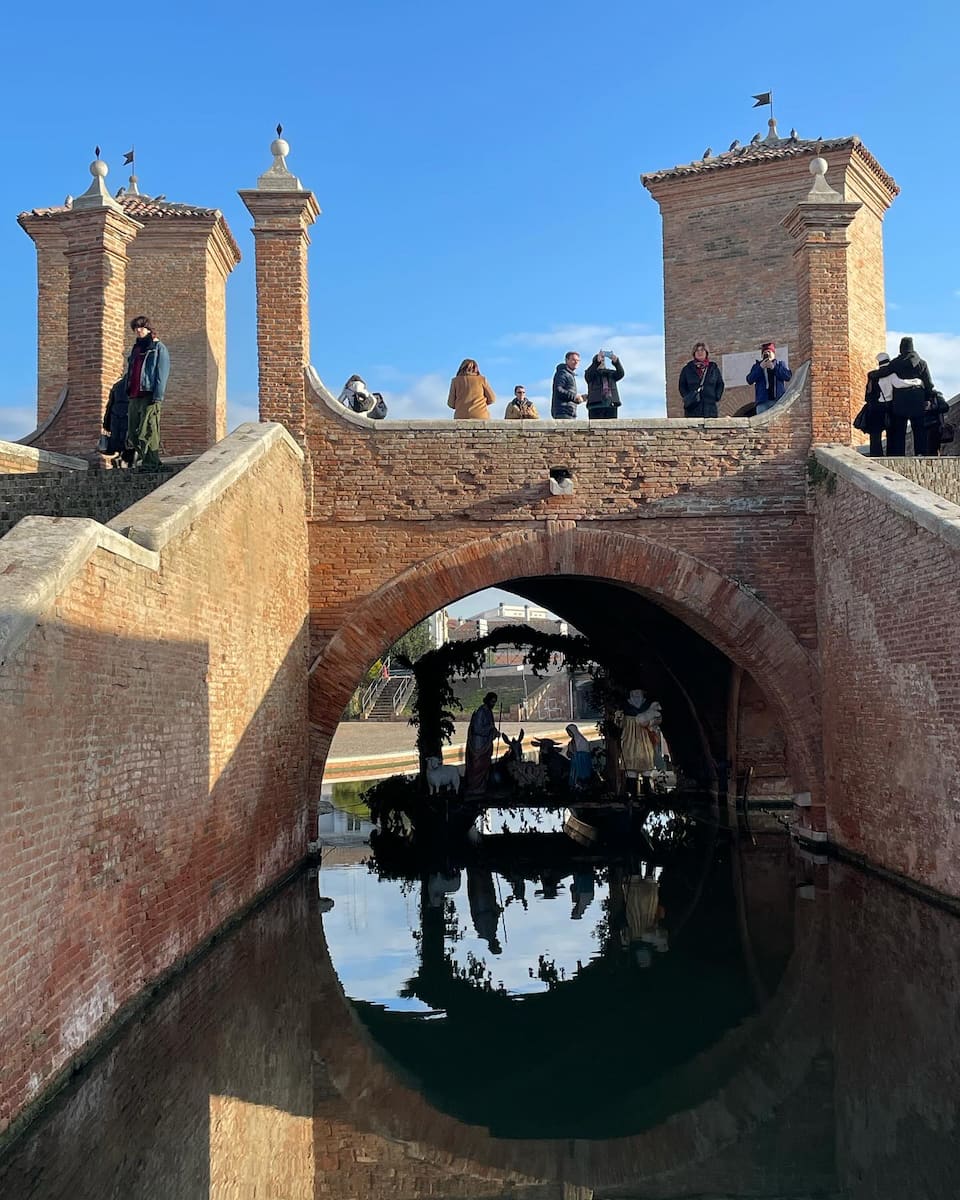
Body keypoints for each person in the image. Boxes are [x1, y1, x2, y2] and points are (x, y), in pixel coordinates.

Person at [124, 316, 170, 469]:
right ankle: (148, 460)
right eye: (136, 328)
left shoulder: (158, 348)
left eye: (141, 327)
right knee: (132, 433)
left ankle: (151, 462)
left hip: (149, 394)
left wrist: (158, 396)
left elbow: (161, 373)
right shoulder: (136, 349)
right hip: (134, 395)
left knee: (148, 430)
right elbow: (130, 371)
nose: (138, 330)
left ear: (149, 328)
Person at [877, 336, 935, 456]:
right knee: (919, 428)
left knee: (899, 429)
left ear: (901, 348)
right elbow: (928, 383)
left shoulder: (895, 363)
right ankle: (921, 454)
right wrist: (928, 399)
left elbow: (884, 372)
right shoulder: (922, 363)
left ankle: (898, 455)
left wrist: (872, 374)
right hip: (917, 398)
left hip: (900, 399)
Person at [616, 689, 662, 798]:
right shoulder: (625, 706)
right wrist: (619, 719)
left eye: (638, 692)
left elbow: (657, 719)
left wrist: (650, 722)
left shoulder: (648, 705)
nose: (636, 695)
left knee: (646, 760)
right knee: (630, 763)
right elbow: (620, 723)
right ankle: (631, 790)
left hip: (645, 737)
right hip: (630, 738)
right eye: (634, 693)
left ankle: (647, 788)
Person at [464, 692, 505, 795]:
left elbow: (490, 726)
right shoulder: (481, 712)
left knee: (485, 765)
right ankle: (474, 787)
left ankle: (482, 786)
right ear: (487, 700)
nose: (493, 704)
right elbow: (477, 729)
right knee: (477, 766)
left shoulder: (488, 711)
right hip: (478, 745)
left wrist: (494, 732)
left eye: (494, 702)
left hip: (485, 744)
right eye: (492, 701)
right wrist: (490, 729)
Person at [678, 341, 724, 418]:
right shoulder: (687, 369)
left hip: (710, 407)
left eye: (702, 350)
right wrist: (688, 397)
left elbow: (720, 384)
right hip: (693, 407)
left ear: (706, 352)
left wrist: (716, 396)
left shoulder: (713, 368)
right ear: (694, 353)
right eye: (697, 350)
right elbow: (682, 386)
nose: (700, 352)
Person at [861, 352, 894, 457]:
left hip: (874, 408)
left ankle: (876, 454)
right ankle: (891, 454)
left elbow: (867, 395)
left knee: (875, 435)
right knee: (892, 432)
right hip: (889, 407)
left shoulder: (872, 376)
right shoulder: (893, 375)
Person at [746, 342, 791, 415]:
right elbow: (749, 379)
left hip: (777, 401)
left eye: (769, 352)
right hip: (762, 402)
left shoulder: (780, 364)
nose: (767, 354)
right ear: (761, 355)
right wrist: (760, 368)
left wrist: (774, 368)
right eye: (764, 353)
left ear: (774, 354)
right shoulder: (757, 366)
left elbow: (787, 376)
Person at [584, 351, 625, 420]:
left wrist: (616, 362)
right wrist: (597, 362)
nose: (602, 362)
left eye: (603, 360)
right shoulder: (590, 374)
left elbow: (621, 373)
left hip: (611, 405)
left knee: (611, 427)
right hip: (595, 406)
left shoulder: (611, 373)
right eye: (600, 360)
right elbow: (588, 375)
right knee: (595, 428)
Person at [101, 375, 130, 468]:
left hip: (115, 415)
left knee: (116, 439)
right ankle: (125, 461)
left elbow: (109, 405)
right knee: (127, 440)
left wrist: (106, 423)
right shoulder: (134, 385)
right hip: (127, 415)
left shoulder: (117, 386)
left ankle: (118, 458)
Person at [550, 351, 585, 419]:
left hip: (568, 412)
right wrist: (574, 397)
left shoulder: (569, 374)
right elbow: (558, 390)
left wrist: (581, 398)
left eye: (578, 360)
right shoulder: (562, 373)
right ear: (566, 360)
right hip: (563, 412)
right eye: (573, 360)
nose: (576, 362)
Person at [565, 723, 594, 789]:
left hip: (582, 763)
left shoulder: (582, 741)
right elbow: (569, 753)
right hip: (574, 763)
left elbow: (586, 753)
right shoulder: (571, 742)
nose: (568, 734)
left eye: (569, 732)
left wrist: (576, 754)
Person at [924, 389, 950, 457]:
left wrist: (932, 407)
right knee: (926, 449)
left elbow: (945, 407)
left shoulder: (935, 396)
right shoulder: (917, 397)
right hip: (923, 426)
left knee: (933, 448)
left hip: (934, 425)